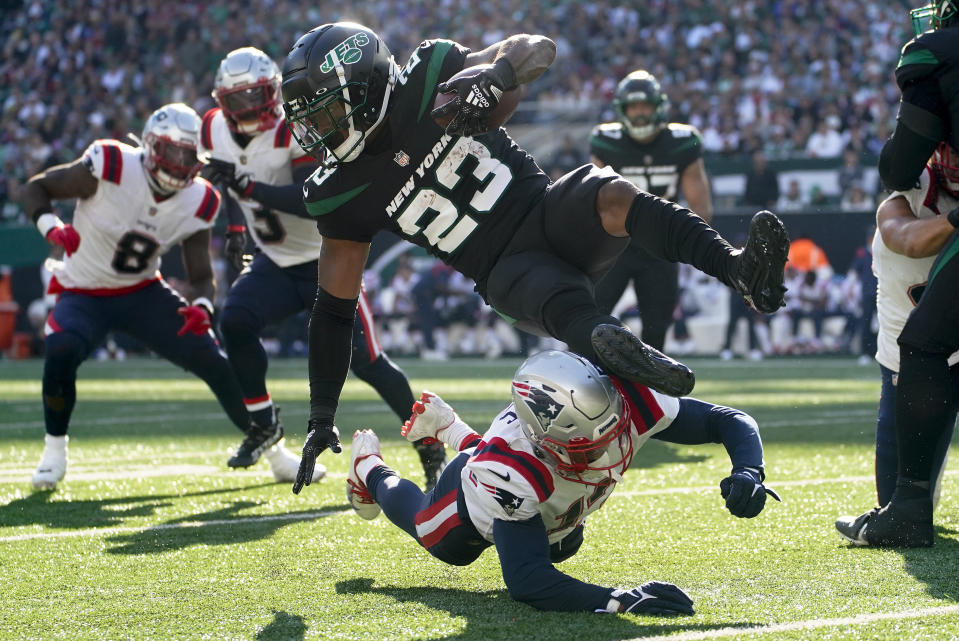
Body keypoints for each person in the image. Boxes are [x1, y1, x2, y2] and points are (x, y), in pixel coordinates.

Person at [279, 23, 789, 493]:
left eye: (324, 113)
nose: (316, 132)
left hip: (545, 211)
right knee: (560, 300)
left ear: (365, 88)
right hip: (501, 267)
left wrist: (495, 75)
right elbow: (334, 310)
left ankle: (738, 269)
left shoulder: (430, 74)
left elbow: (536, 48)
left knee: (605, 189)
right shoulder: (341, 191)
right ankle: (614, 348)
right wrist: (321, 416)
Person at [20, 103, 321, 489]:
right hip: (83, 291)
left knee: (214, 360)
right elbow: (35, 188)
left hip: (143, 293)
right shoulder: (111, 163)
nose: (180, 163)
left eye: (188, 154)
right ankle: (54, 450)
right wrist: (51, 227)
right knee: (60, 350)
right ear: (149, 145)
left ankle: (275, 452)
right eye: (171, 151)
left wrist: (200, 304)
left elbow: (199, 275)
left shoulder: (201, 198)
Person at [342, 350, 779, 613]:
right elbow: (528, 581)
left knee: (566, 544)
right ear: (543, 443)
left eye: (613, 433)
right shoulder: (513, 468)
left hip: (535, 489)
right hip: (479, 491)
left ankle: (453, 430)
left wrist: (748, 469)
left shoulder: (629, 400)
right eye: (591, 448)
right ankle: (370, 469)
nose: (610, 454)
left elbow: (730, 420)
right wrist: (621, 600)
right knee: (438, 538)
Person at [199, 47, 445, 489]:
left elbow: (308, 199)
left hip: (327, 258)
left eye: (253, 96)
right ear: (221, 101)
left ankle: (430, 446)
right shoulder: (213, 128)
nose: (246, 109)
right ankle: (262, 423)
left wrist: (247, 187)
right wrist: (237, 229)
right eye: (235, 100)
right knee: (234, 320)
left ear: (272, 92)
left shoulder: (297, 125)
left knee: (368, 362)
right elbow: (230, 187)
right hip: (275, 262)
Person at [839, 1, 959, 547]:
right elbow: (904, 234)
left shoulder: (935, 58)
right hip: (905, 352)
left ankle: (909, 513)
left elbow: (898, 159)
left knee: (925, 346)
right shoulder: (907, 200)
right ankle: (904, 504)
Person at [588, 70, 714, 352]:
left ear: (659, 107)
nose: (640, 113)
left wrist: (693, 244)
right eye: (633, 107)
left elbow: (701, 206)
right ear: (623, 110)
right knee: (589, 317)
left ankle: (648, 393)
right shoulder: (606, 141)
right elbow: (591, 199)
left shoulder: (681, 142)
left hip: (659, 245)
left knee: (656, 333)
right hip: (615, 244)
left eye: (645, 106)